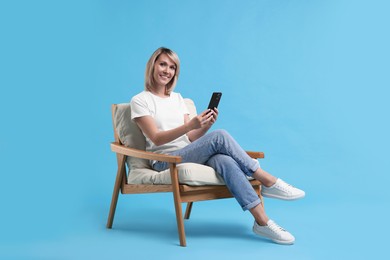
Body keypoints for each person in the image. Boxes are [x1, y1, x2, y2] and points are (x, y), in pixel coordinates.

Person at [130, 47, 305, 245]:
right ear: (152, 65)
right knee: (220, 136)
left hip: (187, 152)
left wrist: (205, 126)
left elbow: (191, 138)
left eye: (172, 67)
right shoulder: (140, 100)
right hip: (165, 161)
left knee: (225, 160)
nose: (167, 71)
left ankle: (262, 222)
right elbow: (156, 138)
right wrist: (190, 125)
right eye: (162, 64)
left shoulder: (178, 99)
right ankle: (267, 180)